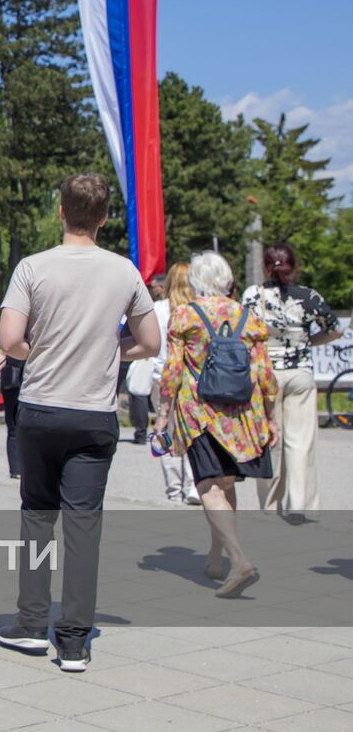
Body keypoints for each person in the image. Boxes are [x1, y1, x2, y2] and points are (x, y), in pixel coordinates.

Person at [0, 174, 159, 673]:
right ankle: (73, 640)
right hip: (94, 412)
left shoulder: (32, 267)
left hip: (42, 408)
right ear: (105, 218)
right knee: (84, 526)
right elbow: (150, 342)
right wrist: (114, 350)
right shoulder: (124, 271)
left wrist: (40, 351)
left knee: (37, 517)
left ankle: (30, 622)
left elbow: (10, 339)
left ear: (61, 211)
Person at [156, 251, 279, 596]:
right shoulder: (248, 316)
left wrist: (163, 415)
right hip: (242, 413)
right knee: (226, 484)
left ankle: (239, 560)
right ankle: (215, 557)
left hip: (200, 415)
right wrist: (271, 418)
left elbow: (173, 371)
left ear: (196, 280)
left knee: (209, 486)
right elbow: (265, 374)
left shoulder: (185, 316)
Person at [241, 243, 342, 523]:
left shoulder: (253, 295)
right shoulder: (309, 296)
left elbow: (243, 331)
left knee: (268, 439)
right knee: (300, 441)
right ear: (294, 266)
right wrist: (309, 341)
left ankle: (269, 503)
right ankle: (298, 502)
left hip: (266, 373)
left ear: (265, 266)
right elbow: (335, 329)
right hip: (300, 373)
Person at [151, 263, 199, 504]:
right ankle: (193, 486)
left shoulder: (158, 309)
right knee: (193, 432)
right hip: (192, 380)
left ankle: (173, 489)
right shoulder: (197, 309)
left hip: (160, 377)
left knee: (165, 430)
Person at [0, 353, 26, 479]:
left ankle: (19, 469)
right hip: (16, 379)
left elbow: (1, 353)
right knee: (13, 427)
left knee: (15, 428)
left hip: (20, 378)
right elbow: (2, 353)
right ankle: (16, 469)